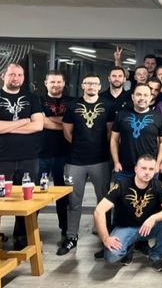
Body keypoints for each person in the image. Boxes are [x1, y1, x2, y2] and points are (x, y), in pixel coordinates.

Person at [0, 63, 44, 251]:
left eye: (19, 75)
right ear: (3, 76)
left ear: (23, 78)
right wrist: (24, 121)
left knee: (28, 201)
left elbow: (38, 125)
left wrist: (7, 126)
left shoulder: (32, 98)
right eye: (12, 74)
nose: (15, 78)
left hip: (28, 158)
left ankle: (21, 240)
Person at [58, 73, 115, 255]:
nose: (91, 86)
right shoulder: (73, 105)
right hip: (75, 161)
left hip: (100, 160)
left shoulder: (108, 105)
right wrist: (80, 146)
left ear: (100, 86)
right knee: (74, 202)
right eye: (88, 83)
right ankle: (71, 237)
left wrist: (97, 147)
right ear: (82, 86)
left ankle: (105, 236)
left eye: (95, 83)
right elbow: (67, 132)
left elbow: (110, 132)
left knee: (104, 200)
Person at [93, 155, 162, 270]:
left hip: (148, 227)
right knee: (111, 256)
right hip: (126, 227)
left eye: (151, 169)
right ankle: (128, 248)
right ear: (136, 169)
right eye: (143, 168)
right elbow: (99, 211)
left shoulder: (158, 185)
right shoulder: (122, 185)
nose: (147, 172)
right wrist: (105, 238)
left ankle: (156, 255)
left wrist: (154, 218)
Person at [39, 70, 74, 242]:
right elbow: (40, 122)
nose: (55, 85)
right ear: (46, 83)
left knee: (64, 195)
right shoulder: (37, 100)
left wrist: (49, 119)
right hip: (41, 154)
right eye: (52, 82)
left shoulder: (73, 101)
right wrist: (65, 124)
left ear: (64, 83)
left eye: (59, 82)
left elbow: (75, 122)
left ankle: (66, 230)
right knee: (36, 193)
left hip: (65, 155)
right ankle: (26, 231)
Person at [110, 84, 162, 180]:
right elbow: (114, 140)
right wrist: (116, 162)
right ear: (133, 97)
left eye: (145, 95)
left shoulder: (159, 117)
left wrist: (158, 163)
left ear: (150, 98)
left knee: (150, 191)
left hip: (149, 169)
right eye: (138, 94)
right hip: (124, 169)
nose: (142, 98)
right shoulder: (121, 115)